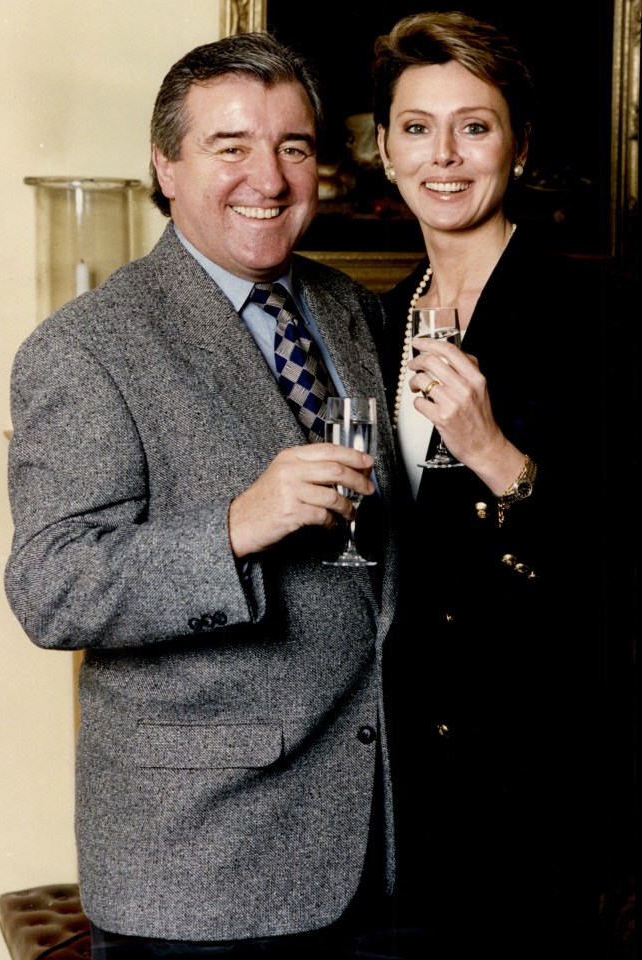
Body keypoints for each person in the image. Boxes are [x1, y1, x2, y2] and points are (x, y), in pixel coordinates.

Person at [5, 32, 401, 959]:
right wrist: (232, 528)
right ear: (166, 167)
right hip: (202, 870)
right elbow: (51, 588)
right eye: (231, 147)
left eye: (293, 148)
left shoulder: (351, 309)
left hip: (371, 852)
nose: (267, 177)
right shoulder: (84, 347)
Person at [372, 11, 610, 958]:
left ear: (517, 149)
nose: (445, 155)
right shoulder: (377, 319)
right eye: (417, 127)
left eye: (475, 126)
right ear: (384, 151)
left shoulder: (597, 314)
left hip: (540, 774)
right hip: (400, 778)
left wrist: (496, 455)